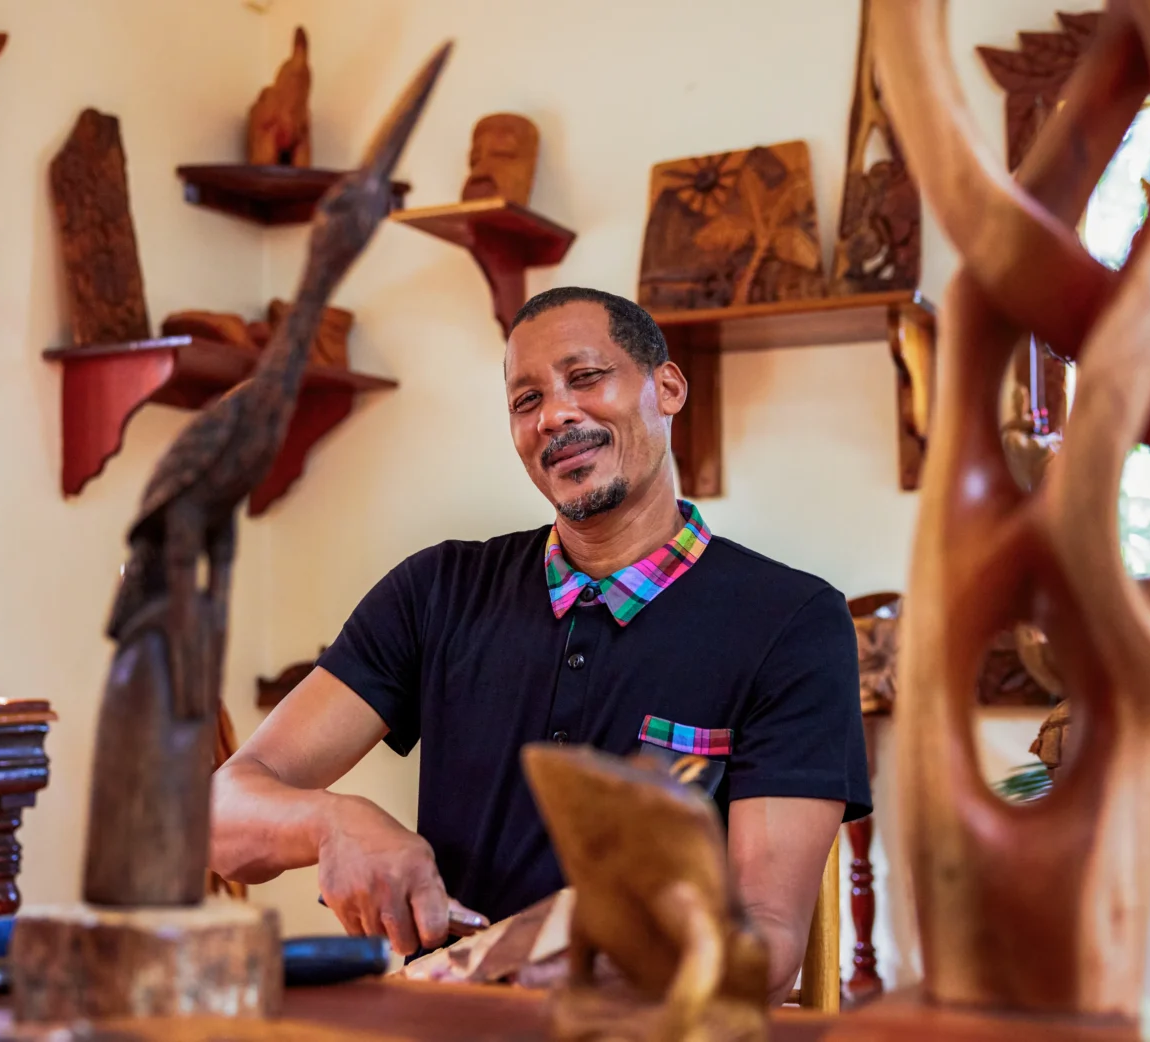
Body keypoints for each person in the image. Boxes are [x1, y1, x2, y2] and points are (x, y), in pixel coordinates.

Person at [210, 287, 870, 1002]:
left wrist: (558, 954)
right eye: (526, 401)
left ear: (668, 388)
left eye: (586, 378)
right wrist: (335, 821)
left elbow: (766, 948)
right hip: (456, 1026)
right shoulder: (437, 590)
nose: (554, 414)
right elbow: (222, 817)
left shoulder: (792, 621)